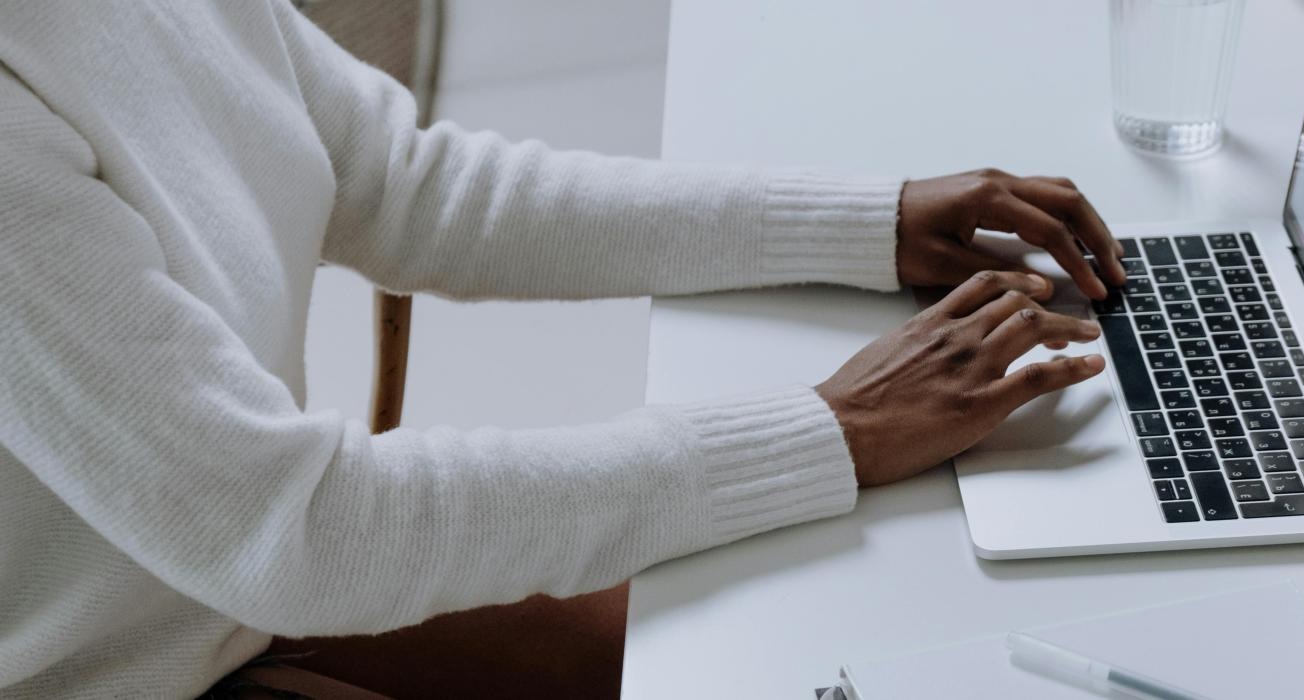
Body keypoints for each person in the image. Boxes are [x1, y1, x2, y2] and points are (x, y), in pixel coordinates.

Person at [0, 1, 1129, 698]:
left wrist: (863, 220)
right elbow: (302, 528)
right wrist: (832, 427)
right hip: (138, 662)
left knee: (785, 642)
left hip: (220, 606)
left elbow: (405, 182)